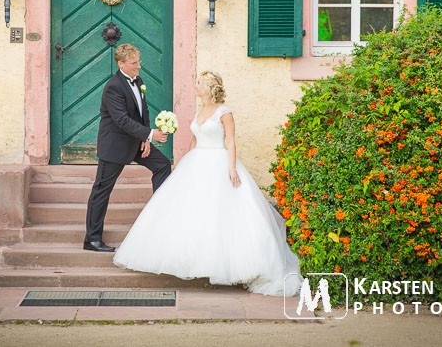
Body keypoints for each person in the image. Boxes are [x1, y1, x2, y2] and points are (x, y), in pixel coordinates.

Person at [113, 71, 303, 296]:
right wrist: (183, 164)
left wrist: (232, 168)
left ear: (210, 88)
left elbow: (230, 141)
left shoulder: (224, 112)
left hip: (219, 162)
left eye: (199, 83)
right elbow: (195, 139)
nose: (195, 86)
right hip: (196, 162)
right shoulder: (200, 111)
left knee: (219, 214)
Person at [84, 43, 171, 252]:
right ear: (120, 64)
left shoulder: (138, 80)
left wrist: (145, 139)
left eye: (138, 62)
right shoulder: (113, 87)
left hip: (137, 142)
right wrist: (151, 133)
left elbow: (143, 112)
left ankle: (158, 219)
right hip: (114, 146)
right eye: (133, 63)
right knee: (102, 190)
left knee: (162, 165)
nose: (138, 66)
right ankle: (92, 240)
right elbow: (121, 120)